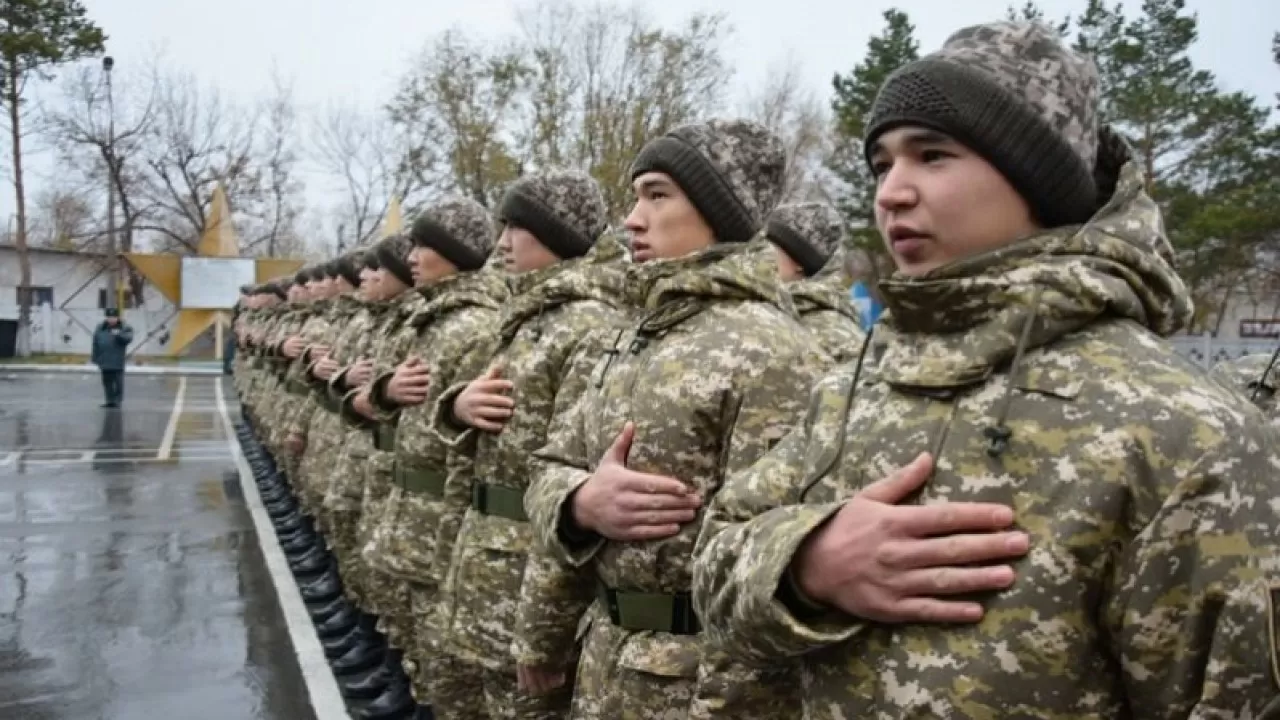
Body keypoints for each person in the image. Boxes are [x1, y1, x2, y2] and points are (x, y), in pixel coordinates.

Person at [692, 20, 1280, 718]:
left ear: (1040, 181)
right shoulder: (857, 385)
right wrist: (806, 565)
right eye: (882, 165)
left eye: (932, 155)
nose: (891, 193)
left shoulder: (1186, 432)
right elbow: (714, 563)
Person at [523, 118, 830, 718]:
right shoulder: (632, 338)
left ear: (720, 210)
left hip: (687, 689)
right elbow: (550, 467)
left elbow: (761, 577)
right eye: (636, 197)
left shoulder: (772, 353)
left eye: (657, 195)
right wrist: (580, 505)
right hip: (607, 663)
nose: (632, 219)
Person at [428, 171, 627, 719]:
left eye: (518, 226)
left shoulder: (589, 327)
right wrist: (457, 405)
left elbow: (570, 483)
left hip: (527, 576)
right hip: (487, 562)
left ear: (555, 233)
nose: (501, 243)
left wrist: (545, 628)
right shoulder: (527, 320)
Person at [766, 202, 867, 363]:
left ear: (800, 262)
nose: (762, 255)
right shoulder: (769, 308)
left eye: (771, 249)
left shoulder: (837, 334)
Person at [91, 307, 134, 408]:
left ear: (118, 317)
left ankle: (117, 400)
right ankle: (109, 400)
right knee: (107, 381)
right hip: (104, 358)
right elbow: (95, 342)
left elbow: (128, 339)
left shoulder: (124, 327)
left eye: (113, 317)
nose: (111, 319)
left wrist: (119, 334)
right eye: (109, 317)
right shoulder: (100, 327)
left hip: (117, 360)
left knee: (118, 382)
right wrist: (95, 357)